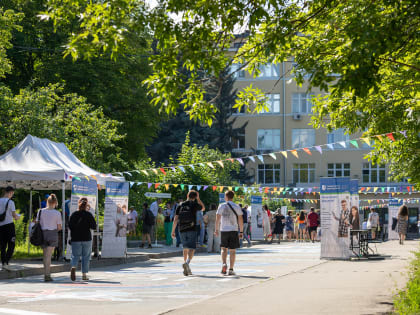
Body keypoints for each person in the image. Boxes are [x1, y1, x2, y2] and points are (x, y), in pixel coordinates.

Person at [172, 190, 204, 276]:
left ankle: (186, 266)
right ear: (195, 197)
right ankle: (187, 263)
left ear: (187, 195)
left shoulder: (180, 205)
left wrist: (173, 231)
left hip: (181, 228)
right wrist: (199, 199)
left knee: (185, 247)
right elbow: (203, 208)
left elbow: (175, 219)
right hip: (192, 228)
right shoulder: (194, 204)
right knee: (192, 248)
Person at [215, 190, 243, 276]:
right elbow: (240, 219)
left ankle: (224, 263)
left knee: (223, 249)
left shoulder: (221, 206)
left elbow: (218, 219)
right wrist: (241, 231)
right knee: (232, 250)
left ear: (226, 197)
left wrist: (216, 229)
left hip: (224, 230)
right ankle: (231, 269)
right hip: (233, 230)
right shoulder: (237, 206)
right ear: (233, 197)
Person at [69, 197, 97, 281]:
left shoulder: (74, 214)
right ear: (86, 205)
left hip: (75, 239)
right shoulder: (88, 215)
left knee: (75, 256)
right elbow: (93, 226)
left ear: (79, 204)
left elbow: (70, 226)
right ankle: (84, 275)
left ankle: (73, 266)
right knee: (86, 256)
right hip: (86, 238)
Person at [37, 194, 62, 282]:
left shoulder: (40, 211)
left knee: (45, 255)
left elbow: (38, 223)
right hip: (52, 233)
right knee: (49, 255)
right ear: (55, 202)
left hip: (43, 234)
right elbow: (59, 227)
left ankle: (46, 273)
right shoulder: (57, 213)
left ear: (47, 202)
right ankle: (47, 275)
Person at [0, 186, 21, 270]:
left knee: (2, 246)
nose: (12, 195)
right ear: (10, 192)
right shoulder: (11, 202)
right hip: (9, 225)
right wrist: (18, 217)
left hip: (0, 226)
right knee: (11, 244)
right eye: (12, 194)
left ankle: (3, 263)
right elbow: (14, 215)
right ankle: (6, 262)